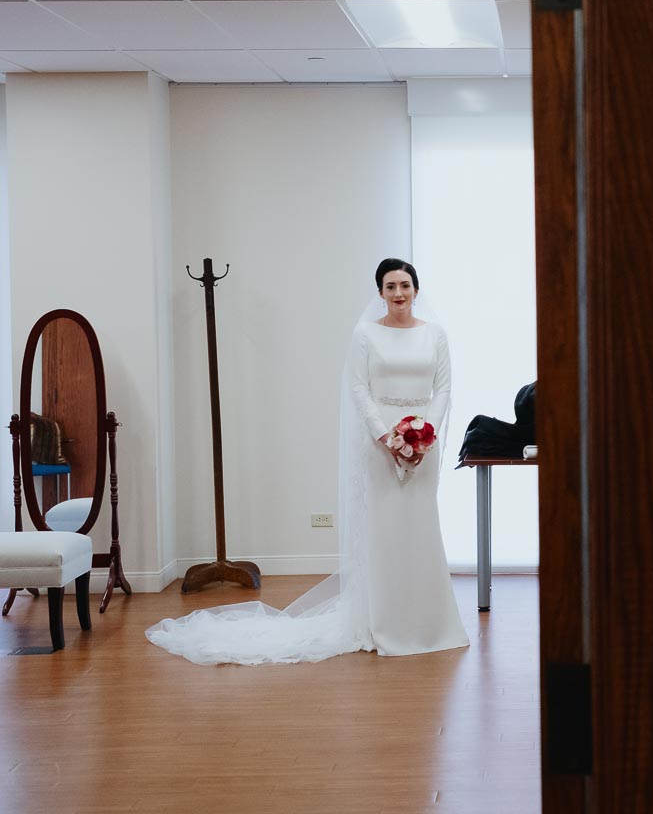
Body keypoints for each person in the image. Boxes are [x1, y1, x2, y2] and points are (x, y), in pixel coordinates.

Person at [146, 258, 468, 664]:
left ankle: (428, 622)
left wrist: (425, 435)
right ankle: (382, 621)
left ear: (417, 290)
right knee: (383, 529)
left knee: (420, 528)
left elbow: (443, 388)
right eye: (390, 287)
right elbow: (358, 387)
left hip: (424, 440)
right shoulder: (365, 334)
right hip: (380, 442)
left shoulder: (435, 335)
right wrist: (385, 435)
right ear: (380, 293)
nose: (399, 293)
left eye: (405, 285)